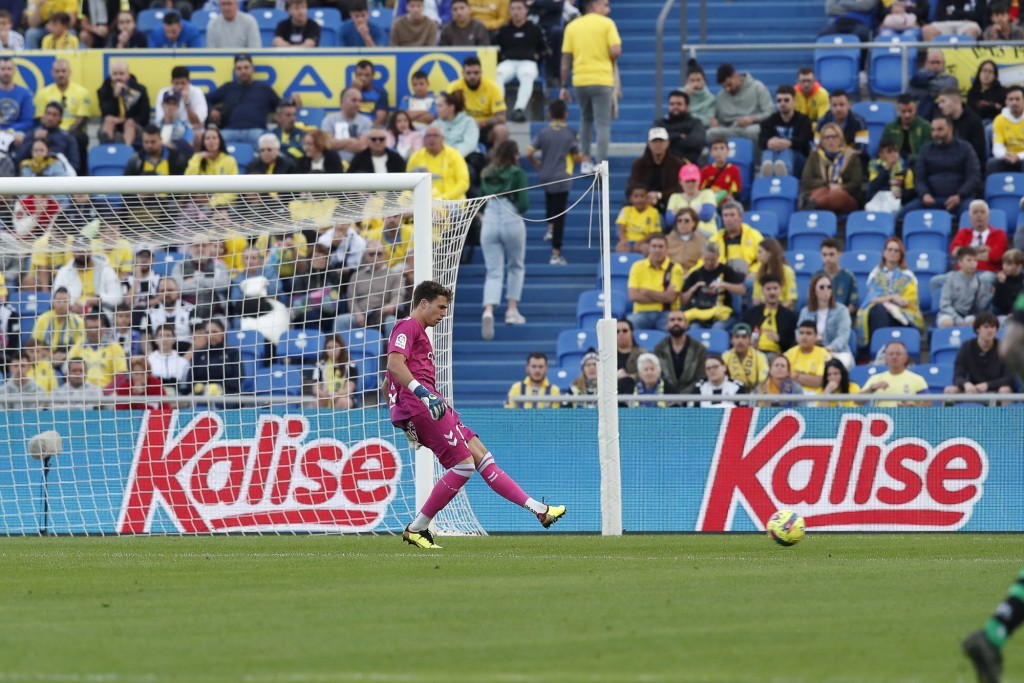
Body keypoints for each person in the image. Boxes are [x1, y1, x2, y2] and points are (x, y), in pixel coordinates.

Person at [389, 281, 566, 548]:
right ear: (423, 303)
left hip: (432, 404)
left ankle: (538, 508)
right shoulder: (408, 326)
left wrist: (403, 415)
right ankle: (417, 528)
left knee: (481, 455)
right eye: (440, 307)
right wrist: (416, 401)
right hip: (423, 406)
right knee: (463, 465)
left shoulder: (421, 332)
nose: (443, 313)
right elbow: (393, 365)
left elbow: (386, 382)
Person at [559, 0, 622, 174]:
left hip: (580, 80)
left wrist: (563, 85)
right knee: (602, 124)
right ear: (595, 6)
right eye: (605, 5)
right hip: (602, 79)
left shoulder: (572, 27)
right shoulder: (607, 24)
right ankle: (601, 163)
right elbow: (616, 50)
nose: (608, 9)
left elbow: (566, 59)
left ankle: (585, 160)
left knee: (585, 119)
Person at [480, 140, 529, 337]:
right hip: (511, 217)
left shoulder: (486, 173)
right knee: (516, 265)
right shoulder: (517, 173)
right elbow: (524, 202)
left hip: (490, 218)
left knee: (493, 271)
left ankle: (488, 310)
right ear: (514, 154)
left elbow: (481, 199)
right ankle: (511, 309)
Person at [526, 99, 579, 265]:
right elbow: (576, 156)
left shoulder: (543, 132)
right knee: (560, 215)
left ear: (549, 115)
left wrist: (537, 164)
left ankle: (549, 228)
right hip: (562, 176)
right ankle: (556, 253)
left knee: (549, 201)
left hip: (546, 175)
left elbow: (529, 152)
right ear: (566, 115)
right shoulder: (570, 132)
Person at [901, 115, 980, 218]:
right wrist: (924, 194)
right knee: (905, 213)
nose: (935, 134)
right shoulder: (925, 150)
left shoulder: (966, 149)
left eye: (940, 129)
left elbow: (974, 177)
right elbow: (919, 178)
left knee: (971, 214)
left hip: (960, 200)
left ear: (951, 129)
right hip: (931, 199)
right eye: (933, 130)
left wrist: (959, 196)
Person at [207, 54, 287, 150]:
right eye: (239, 69)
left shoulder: (264, 89)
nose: (243, 71)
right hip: (230, 131)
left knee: (269, 145)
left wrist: (292, 101)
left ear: (252, 69)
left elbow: (281, 106)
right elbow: (205, 100)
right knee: (212, 143)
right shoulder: (228, 87)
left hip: (256, 131)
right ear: (235, 71)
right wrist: (212, 110)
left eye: (246, 67)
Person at [857, 236, 925, 341]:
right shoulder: (876, 274)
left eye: (896, 250)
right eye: (889, 250)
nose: (892, 253)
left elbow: (911, 302)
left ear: (900, 255)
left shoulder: (908, 276)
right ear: (884, 253)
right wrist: (892, 298)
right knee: (879, 310)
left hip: (902, 315)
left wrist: (900, 302)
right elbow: (872, 299)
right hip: (879, 312)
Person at [333, 240, 403, 339]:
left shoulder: (394, 275)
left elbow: (398, 295)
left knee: (392, 322)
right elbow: (351, 299)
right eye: (371, 254)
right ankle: (341, 353)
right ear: (366, 256)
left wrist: (391, 305)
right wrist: (357, 314)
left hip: (382, 314)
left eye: (379, 254)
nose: (375, 257)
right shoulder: (356, 276)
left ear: (385, 255)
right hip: (360, 315)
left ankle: (392, 353)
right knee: (340, 321)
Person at [494, 0, 548, 122]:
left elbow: (546, 50)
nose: (515, 12)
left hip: (528, 62)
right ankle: (500, 109)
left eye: (519, 8)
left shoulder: (535, 28)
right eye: (513, 9)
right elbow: (496, 49)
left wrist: (537, 56)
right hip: (509, 62)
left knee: (527, 75)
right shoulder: (504, 29)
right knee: (498, 75)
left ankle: (519, 109)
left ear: (526, 11)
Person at [32, 60, 89, 168]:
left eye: (63, 71)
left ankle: (80, 173)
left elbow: (82, 116)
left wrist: (65, 133)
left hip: (72, 130)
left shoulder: (82, 92)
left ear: (69, 72)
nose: (60, 74)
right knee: (35, 136)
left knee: (78, 138)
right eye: (57, 71)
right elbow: (40, 116)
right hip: (50, 129)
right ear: (52, 73)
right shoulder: (43, 93)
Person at [945, 312, 1014, 399]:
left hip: (996, 388)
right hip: (973, 389)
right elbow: (957, 375)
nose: (990, 330)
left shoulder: (1004, 348)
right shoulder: (966, 347)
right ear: (978, 329)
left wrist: (987, 385)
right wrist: (966, 384)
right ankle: (948, 413)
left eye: (993, 327)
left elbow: (1009, 378)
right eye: (986, 327)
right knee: (949, 390)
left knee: (1005, 390)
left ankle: (1004, 413)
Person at [681, 241, 747, 329]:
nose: (709, 263)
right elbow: (683, 300)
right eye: (706, 259)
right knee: (694, 328)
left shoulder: (726, 271)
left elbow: (742, 290)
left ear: (718, 256)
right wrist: (694, 288)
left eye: (712, 260)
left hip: (721, 313)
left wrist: (724, 284)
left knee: (717, 328)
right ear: (702, 257)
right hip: (700, 313)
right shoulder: (696, 273)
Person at [801, 121, 863, 213]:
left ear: (841, 139)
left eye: (834, 137)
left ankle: (813, 205)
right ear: (822, 141)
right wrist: (828, 185)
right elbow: (807, 180)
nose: (830, 140)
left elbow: (856, 183)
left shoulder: (852, 156)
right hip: (822, 190)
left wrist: (840, 187)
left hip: (846, 196)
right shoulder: (814, 156)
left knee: (839, 195)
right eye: (826, 137)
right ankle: (813, 203)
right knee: (822, 190)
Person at [626, 234, 684, 331]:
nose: (657, 250)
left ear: (667, 249)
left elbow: (671, 298)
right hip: (641, 313)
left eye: (661, 246)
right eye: (654, 246)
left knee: (675, 327)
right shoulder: (637, 266)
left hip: (666, 313)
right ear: (648, 248)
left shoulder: (675, 268)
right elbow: (633, 296)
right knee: (625, 327)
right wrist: (663, 296)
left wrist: (646, 292)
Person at [707, 63, 773, 145]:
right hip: (730, 129)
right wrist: (713, 120)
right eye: (724, 87)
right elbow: (714, 114)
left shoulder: (757, 87)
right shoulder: (720, 96)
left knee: (755, 131)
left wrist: (752, 119)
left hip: (752, 127)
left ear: (736, 76)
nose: (727, 89)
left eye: (729, 85)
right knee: (711, 133)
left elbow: (770, 113)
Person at [448, 55, 508, 147]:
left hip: (485, 128)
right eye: (468, 73)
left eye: (476, 73)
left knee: (501, 130)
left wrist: (483, 123)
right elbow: (446, 113)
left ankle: (497, 160)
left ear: (481, 73)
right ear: (463, 73)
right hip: (461, 127)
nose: (472, 76)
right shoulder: (454, 88)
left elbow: (501, 117)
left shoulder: (493, 88)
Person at [798, 273, 854, 368]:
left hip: (836, 352)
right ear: (814, 290)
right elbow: (798, 332)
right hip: (811, 351)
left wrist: (830, 348)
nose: (826, 290)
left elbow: (843, 335)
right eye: (822, 287)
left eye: (829, 287)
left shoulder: (842, 310)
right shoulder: (805, 312)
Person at [53, 240, 123, 315]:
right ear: (72, 252)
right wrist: (70, 306)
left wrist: (99, 300)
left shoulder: (106, 269)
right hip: (71, 314)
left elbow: (118, 298)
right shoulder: (64, 272)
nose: (82, 253)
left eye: (84, 250)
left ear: (90, 250)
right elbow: (55, 297)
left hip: (100, 312)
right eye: (78, 251)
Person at [626, 127, 684, 216]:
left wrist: (659, 195)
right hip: (643, 204)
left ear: (667, 143)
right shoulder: (639, 164)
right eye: (654, 141)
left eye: (661, 141)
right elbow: (631, 186)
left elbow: (679, 188)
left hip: (669, 206)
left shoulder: (677, 164)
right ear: (649, 144)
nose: (658, 144)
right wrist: (644, 197)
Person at [758, 84, 813, 179]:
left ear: (794, 101)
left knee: (787, 151)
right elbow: (761, 141)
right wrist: (769, 142)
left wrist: (787, 143)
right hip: (774, 157)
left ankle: (784, 172)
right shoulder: (769, 121)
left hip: (798, 159)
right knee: (768, 151)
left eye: (786, 100)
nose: (782, 103)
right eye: (779, 100)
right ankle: (766, 171)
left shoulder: (804, 120)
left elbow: (802, 141)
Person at [949, 199, 1008, 282]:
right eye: (975, 212)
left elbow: (995, 256)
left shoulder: (999, 234)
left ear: (988, 216)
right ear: (970, 217)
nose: (979, 215)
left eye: (982, 212)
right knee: (936, 281)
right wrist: (980, 250)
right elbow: (954, 252)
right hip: (963, 272)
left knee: (984, 279)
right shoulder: (963, 232)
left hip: (988, 272)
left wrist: (967, 255)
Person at [406, 126, 470, 200]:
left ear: (442, 139)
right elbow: (409, 183)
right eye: (428, 136)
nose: (431, 138)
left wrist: (444, 198)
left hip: (451, 202)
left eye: (435, 135)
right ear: (424, 140)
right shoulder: (415, 157)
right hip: (423, 201)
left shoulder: (455, 155)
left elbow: (464, 183)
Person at [16, 101, 79, 175]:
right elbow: (19, 158)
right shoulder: (33, 134)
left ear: (60, 118)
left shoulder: (67, 137)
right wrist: (34, 139)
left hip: (58, 175)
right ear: (44, 115)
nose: (50, 118)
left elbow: (75, 164)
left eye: (54, 115)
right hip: (33, 175)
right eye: (48, 113)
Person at [97, 60, 150, 148]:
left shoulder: (140, 90)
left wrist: (125, 120)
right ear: (111, 75)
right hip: (113, 124)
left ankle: (125, 152)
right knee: (108, 120)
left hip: (134, 125)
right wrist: (115, 96)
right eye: (115, 74)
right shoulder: (103, 90)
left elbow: (145, 116)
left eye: (121, 74)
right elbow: (106, 112)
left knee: (129, 123)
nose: (118, 77)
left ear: (128, 75)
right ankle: (108, 153)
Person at [652, 310, 707, 395]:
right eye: (672, 320)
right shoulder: (659, 348)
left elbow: (701, 377)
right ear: (667, 325)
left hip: (693, 396)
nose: (676, 322)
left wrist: (683, 396)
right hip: (666, 396)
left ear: (686, 324)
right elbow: (658, 376)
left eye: (679, 319)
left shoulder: (699, 348)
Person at [68, 312, 128, 390]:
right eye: (90, 328)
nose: (93, 331)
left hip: (106, 395)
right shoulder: (77, 348)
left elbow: (121, 376)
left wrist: (105, 393)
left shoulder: (115, 347)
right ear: (85, 329)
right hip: (81, 394)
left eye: (97, 327)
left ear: (104, 328)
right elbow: (68, 373)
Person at [183, 319, 241, 397]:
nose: (211, 335)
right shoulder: (198, 353)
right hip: (201, 396)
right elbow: (190, 379)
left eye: (214, 332)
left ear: (223, 333)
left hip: (228, 396)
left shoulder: (232, 352)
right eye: (207, 332)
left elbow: (239, 377)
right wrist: (197, 386)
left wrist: (220, 387)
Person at [743, 275, 798, 358]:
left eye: (775, 288)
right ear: (762, 291)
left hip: (776, 355)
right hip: (752, 352)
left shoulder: (790, 316)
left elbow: (793, 343)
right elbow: (742, 331)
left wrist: (779, 339)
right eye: (768, 289)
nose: (772, 292)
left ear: (781, 290)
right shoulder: (752, 313)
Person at [937, 246, 991, 328]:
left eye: (975, 260)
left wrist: (988, 295)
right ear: (960, 263)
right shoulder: (951, 278)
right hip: (948, 314)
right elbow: (944, 305)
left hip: (967, 315)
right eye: (969, 260)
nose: (973, 263)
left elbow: (979, 308)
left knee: (975, 323)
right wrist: (956, 318)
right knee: (948, 323)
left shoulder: (978, 282)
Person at [861, 340, 928, 406]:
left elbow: (927, 404)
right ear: (886, 358)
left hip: (905, 416)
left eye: (898, 354)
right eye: (891, 354)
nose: (894, 357)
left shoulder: (918, 380)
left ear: (906, 358)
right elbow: (857, 401)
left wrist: (911, 408)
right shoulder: (875, 379)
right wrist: (872, 388)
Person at [937, 86, 989, 170]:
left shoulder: (974, 122)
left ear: (955, 101)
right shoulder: (942, 121)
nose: (940, 105)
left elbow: (978, 155)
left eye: (943, 101)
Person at [320, 87, 374, 164]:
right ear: (343, 102)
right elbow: (328, 144)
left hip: (358, 165)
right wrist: (351, 141)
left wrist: (337, 144)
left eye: (360, 101)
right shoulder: (329, 120)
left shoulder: (366, 121)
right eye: (354, 100)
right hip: (334, 164)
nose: (358, 104)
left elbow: (362, 146)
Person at [711, 200, 764, 276]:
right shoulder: (715, 239)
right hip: (722, 280)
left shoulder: (754, 236)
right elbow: (704, 262)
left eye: (732, 215)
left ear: (740, 217)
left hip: (748, 278)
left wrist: (753, 272)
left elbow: (764, 260)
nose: (729, 219)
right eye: (725, 215)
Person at [655, 89, 706, 165]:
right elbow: (654, 140)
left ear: (687, 106)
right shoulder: (660, 123)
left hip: (689, 166)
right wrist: (678, 136)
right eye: (672, 104)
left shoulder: (695, 123)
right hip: (663, 166)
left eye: (679, 104)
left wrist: (668, 142)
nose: (675, 107)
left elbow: (695, 142)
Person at [814, 90, 868, 161]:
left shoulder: (859, 122)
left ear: (849, 105)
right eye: (834, 105)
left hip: (851, 159)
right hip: (827, 158)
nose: (838, 109)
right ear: (830, 106)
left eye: (841, 105)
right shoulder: (822, 121)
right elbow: (817, 145)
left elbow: (861, 148)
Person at [666, 164, 718, 238]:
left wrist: (679, 215)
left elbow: (707, 215)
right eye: (687, 181)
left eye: (693, 181)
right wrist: (696, 212)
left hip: (706, 234)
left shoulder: (707, 193)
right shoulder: (675, 197)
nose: (690, 184)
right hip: (681, 234)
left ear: (699, 181)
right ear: (681, 182)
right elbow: (670, 220)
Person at [880, 94, 931, 167]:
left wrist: (909, 158)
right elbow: (882, 150)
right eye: (903, 112)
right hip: (893, 164)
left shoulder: (925, 127)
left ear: (916, 109)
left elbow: (928, 153)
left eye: (910, 111)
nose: (907, 115)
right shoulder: (889, 128)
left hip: (919, 165)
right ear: (897, 111)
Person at [309, 334, 358, 409]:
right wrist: (324, 394)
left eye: (335, 347)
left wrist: (337, 394)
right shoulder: (320, 365)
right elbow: (316, 388)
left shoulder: (350, 364)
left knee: (343, 402)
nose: (332, 351)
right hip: (326, 396)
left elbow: (349, 389)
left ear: (341, 347)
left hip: (344, 397)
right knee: (315, 402)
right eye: (329, 348)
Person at [908, 49, 958, 120]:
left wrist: (925, 85)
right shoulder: (917, 77)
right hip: (921, 117)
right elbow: (910, 93)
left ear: (944, 64)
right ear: (926, 63)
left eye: (938, 62)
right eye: (932, 62)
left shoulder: (951, 80)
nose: (935, 65)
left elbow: (948, 90)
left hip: (944, 117)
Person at [784, 320, 831, 393]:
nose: (804, 337)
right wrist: (809, 378)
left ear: (815, 336)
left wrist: (795, 376)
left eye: (808, 333)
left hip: (815, 396)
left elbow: (820, 381)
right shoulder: (789, 354)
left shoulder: (824, 354)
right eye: (801, 333)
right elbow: (782, 378)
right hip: (792, 394)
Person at [31, 288, 84, 353]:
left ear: (70, 303)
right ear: (53, 302)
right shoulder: (43, 319)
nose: (62, 304)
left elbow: (80, 344)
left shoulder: (78, 322)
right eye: (58, 301)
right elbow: (35, 342)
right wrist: (51, 356)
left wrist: (66, 356)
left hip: (69, 357)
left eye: (65, 301)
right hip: (45, 356)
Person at [750, 238, 798, 309]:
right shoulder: (759, 272)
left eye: (760, 252)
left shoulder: (787, 271)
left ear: (769, 253)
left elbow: (791, 299)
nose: (757, 255)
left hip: (782, 311)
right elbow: (756, 298)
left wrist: (777, 312)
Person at [722, 322, 768, 392]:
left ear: (750, 340)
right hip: (731, 393)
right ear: (731, 340)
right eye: (737, 337)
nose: (740, 341)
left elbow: (763, 380)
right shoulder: (725, 356)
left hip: (752, 394)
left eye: (744, 337)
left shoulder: (760, 356)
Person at [616, 184, 661, 254]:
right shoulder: (626, 210)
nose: (639, 199)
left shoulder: (653, 212)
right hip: (628, 241)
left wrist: (639, 243)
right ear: (631, 198)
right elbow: (621, 227)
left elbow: (653, 233)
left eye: (642, 196)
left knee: (646, 248)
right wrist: (623, 241)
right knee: (621, 248)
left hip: (644, 242)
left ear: (647, 197)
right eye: (636, 196)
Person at [989, 85, 1024, 175]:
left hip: (1022, 157)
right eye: (1011, 99)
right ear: (1006, 101)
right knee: (991, 164)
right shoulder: (999, 120)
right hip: (1007, 157)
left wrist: (1018, 156)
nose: (1014, 102)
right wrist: (1005, 155)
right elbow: (997, 146)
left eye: (1017, 99)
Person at [434, 91, 480, 159]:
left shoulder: (469, 122)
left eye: (440, 106)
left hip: (464, 159)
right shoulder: (435, 124)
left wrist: (450, 156)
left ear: (451, 108)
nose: (436, 110)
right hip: (440, 159)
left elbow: (469, 145)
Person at [0, 58, 33, 148]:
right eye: (3, 69)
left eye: (9, 69)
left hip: (15, 132)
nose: (6, 72)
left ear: (14, 71)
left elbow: (28, 121)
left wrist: (11, 130)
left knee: (20, 139)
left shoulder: (25, 93)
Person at [700, 137, 742, 205]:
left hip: (726, 205)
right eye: (715, 149)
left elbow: (736, 193)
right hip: (710, 204)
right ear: (711, 153)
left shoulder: (734, 170)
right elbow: (700, 191)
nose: (719, 152)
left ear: (728, 151)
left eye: (722, 148)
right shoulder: (705, 171)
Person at [867, 139, 907, 209]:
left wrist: (902, 194)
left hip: (899, 201)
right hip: (877, 199)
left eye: (895, 151)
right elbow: (873, 186)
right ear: (881, 154)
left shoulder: (904, 167)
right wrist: (887, 167)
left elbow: (910, 190)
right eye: (889, 151)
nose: (893, 154)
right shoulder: (875, 165)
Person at [967, 59, 1008, 128]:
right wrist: (993, 106)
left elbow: (1003, 112)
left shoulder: (1002, 92)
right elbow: (971, 112)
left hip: (995, 124)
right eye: (984, 71)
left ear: (995, 76)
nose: (987, 74)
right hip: (976, 124)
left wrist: (985, 107)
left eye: (990, 72)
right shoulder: (972, 92)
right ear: (979, 73)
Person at [665, 208, 708, 273]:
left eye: (686, 221)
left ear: (694, 223)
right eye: (679, 221)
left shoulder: (703, 241)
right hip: (670, 274)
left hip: (694, 275)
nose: (683, 223)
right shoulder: (667, 240)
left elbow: (703, 261)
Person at [352, 59, 391, 126]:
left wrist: (366, 131)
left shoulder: (381, 94)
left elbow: (380, 119)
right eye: (359, 75)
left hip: (372, 130)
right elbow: (347, 115)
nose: (363, 78)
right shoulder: (346, 93)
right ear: (355, 75)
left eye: (367, 75)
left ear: (373, 75)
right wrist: (355, 92)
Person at [615, 317, 646, 391]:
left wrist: (631, 376)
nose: (621, 334)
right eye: (617, 331)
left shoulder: (643, 354)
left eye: (625, 331)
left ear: (631, 333)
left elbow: (650, 372)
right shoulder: (606, 355)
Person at [684, 59, 715, 127]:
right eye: (692, 80)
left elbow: (710, 121)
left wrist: (689, 116)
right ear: (687, 81)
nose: (695, 83)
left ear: (704, 81)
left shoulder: (711, 99)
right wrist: (685, 97)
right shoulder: (680, 95)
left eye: (698, 80)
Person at [994, 248, 1024, 320]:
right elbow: (997, 304)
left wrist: (1014, 313)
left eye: (1009, 264)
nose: (1005, 267)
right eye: (1004, 263)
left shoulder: (1022, 281)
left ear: (1019, 266)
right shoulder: (1000, 279)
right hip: (1000, 313)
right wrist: (1000, 284)